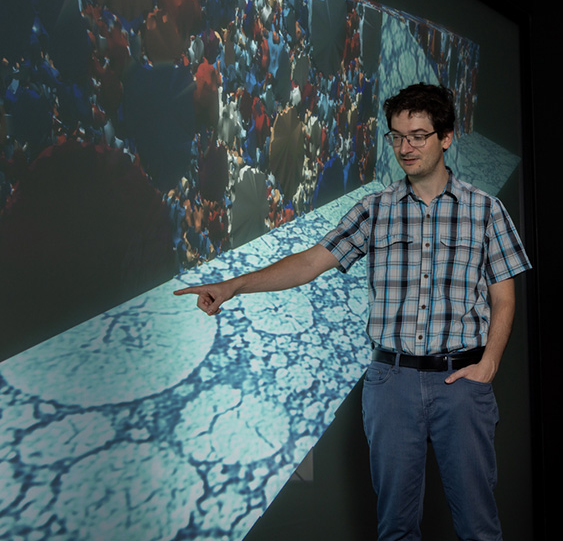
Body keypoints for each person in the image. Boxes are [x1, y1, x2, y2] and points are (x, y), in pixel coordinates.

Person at [175, 83, 531, 540]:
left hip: (462, 381)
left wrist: (489, 364)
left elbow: (504, 297)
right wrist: (232, 285)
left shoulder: (486, 211)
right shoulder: (374, 209)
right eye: (396, 136)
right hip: (392, 384)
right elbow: (309, 262)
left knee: (479, 526)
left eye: (418, 136)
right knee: (395, 528)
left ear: (446, 137)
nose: (405, 148)